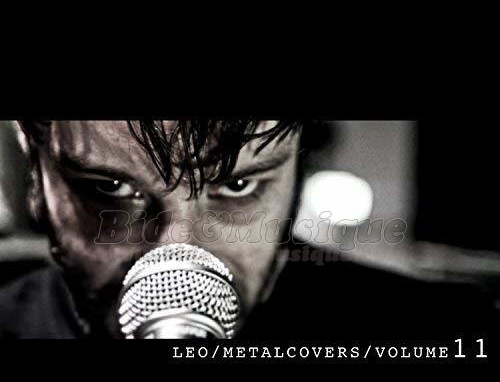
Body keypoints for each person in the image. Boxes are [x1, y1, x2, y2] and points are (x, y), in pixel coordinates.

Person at [0, 120, 497, 339]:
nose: (177, 251)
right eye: (110, 187)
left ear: (299, 170)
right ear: (36, 177)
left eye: (238, 185)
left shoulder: (450, 330)